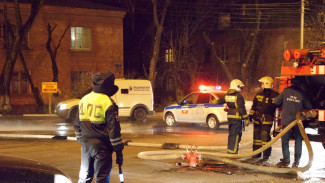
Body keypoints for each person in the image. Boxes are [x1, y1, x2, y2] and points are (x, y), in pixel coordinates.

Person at [74, 70, 124, 183]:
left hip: (86, 145)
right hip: (102, 146)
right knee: (101, 178)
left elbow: (77, 124)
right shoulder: (108, 102)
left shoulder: (84, 100)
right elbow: (114, 130)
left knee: (84, 177)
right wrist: (118, 150)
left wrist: (82, 141)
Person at [274, 78, 312, 167]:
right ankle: (297, 161)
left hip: (286, 120)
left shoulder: (285, 91)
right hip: (298, 121)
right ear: (299, 84)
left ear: (291, 83)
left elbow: (276, 101)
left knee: (285, 140)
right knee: (298, 140)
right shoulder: (302, 93)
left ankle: (286, 159)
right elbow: (309, 106)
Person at [249, 76, 279, 160]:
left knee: (265, 137)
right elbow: (254, 106)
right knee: (256, 137)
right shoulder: (259, 94)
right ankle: (256, 154)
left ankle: (266, 155)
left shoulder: (275, 95)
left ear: (265, 84)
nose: (261, 85)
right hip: (257, 118)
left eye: (262, 83)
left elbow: (278, 104)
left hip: (267, 118)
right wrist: (251, 115)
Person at [217, 79, 249, 154]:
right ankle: (233, 152)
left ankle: (230, 150)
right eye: (240, 88)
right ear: (237, 87)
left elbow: (219, 101)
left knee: (231, 134)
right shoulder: (239, 97)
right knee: (236, 135)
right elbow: (241, 109)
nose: (241, 89)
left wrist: (215, 101)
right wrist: (246, 118)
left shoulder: (227, 96)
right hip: (237, 119)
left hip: (230, 118)